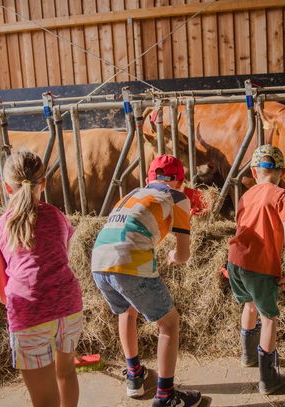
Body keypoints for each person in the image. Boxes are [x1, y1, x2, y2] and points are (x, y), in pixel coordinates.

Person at [91, 155, 202, 407]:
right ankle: (165, 396)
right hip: (130, 261)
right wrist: (173, 256)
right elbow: (183, 255)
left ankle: (134, 375)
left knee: (127, 311)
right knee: (170, 324)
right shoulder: (178, 198)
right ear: (181, 181)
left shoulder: (131, 194)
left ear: (148, 179)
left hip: (99, 261)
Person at [0, 151, 83, 407]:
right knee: (67, 372)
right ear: (44, 183)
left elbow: (1, 294)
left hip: (29, 311)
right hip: (69, 305)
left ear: (6, 188)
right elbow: (61, 259)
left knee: (45, 400)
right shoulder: (59, 216)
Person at [227, 145, 285, 394]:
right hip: (260, 266)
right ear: (280, 171)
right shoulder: (280, 195)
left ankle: (248, 356)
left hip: (235, 261)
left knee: (249, 305)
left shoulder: (245, 196)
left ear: (254, 171)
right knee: (269, 318)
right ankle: (268, 379)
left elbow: (239, 228)